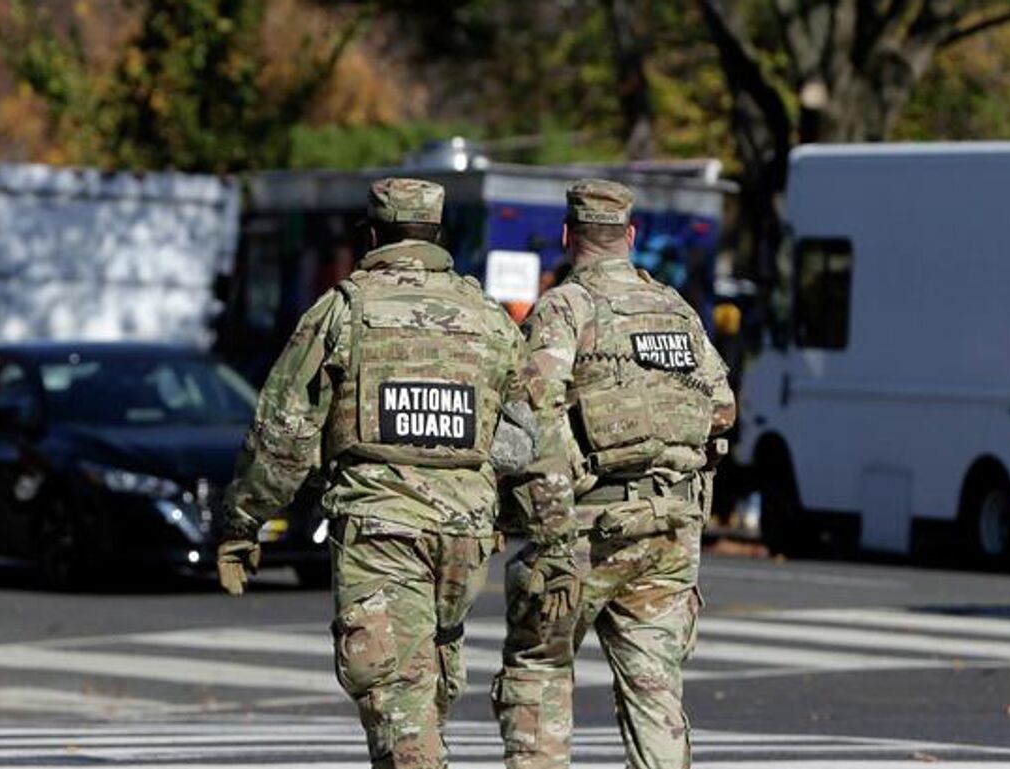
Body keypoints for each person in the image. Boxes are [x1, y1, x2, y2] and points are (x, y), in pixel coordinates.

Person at [218, 178, 524, 769]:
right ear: (437, 234)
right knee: (425, 690)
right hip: (465, 537)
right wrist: (507, 513)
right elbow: (529, 437)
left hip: (383, 528)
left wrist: (242, 522)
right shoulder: (488, 319)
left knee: (397, 700)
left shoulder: (343, 311)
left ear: (374, 234)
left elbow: (284, 432)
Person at [491, 180, 736, 769]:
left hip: (586, 527)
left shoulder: (564, 308)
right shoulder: (675, 308)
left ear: (569, 236)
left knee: (539, 670)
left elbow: (528, 421)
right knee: (655, 691)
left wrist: (527, 515)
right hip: (671, 528)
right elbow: (723, 409)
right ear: (629, 237)